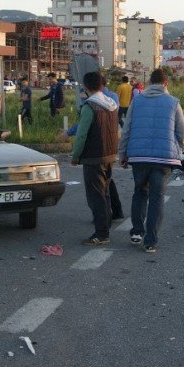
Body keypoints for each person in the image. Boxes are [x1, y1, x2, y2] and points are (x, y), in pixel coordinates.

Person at [117, 68, 184, 253]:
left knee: (140, 192)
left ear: (150, 82)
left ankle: (136, 232)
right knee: (157, 198)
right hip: (163, 159)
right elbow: (182, 132)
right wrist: (178, 149)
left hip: (138, 158)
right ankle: (150, 241)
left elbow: (127, 129)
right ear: (166, 83)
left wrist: (122, 154)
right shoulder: (173, 102)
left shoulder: (137, 100)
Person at [71, 71, 120, 245]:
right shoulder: (112, 104)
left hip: (94, 156)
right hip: (110, 154)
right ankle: (105, 225)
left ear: (86, 86)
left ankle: (102, 233)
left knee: (96, 196)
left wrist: (75, 156)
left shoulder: (89, 106)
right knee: (105, 192)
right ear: (102, 85)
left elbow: (81, 135)